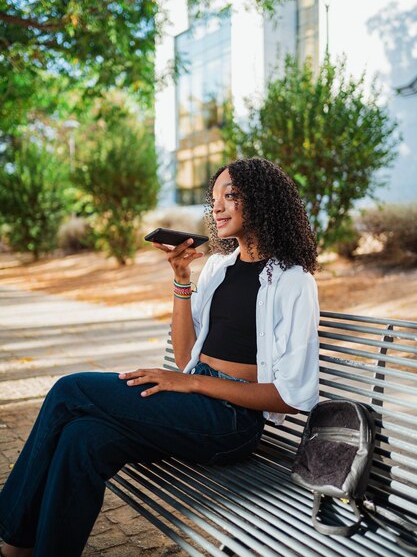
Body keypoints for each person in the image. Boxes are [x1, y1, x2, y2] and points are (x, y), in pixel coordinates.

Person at [0, 157, 319, 557]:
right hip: (193, 404)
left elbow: (290, 398)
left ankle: (11, 540)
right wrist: (182, 280)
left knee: (70, 390)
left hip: (230, 422)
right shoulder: (218, 268)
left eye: (231, 196)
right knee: (83, 438)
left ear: (262, 201)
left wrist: (192, 382)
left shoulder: (292, 281)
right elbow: (186, 355)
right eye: (214, 197)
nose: (217, 207)